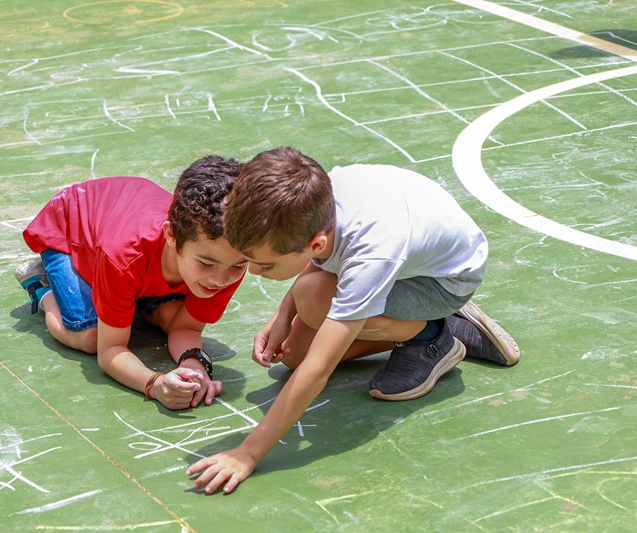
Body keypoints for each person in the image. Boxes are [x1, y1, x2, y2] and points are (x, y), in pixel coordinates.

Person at [187, 146, 519, 493]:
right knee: (295, 353)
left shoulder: (371, 251)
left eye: (266, 265)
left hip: (444, 282)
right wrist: (282, 315)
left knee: (314, 299)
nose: (253, 272)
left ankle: (433, 332)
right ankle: (427, 322)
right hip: (406, 260)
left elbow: (318, 369)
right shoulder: (311, 199)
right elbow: (321, 264)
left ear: (314, 244)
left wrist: (248, 453)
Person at [15, 155, 248, 410]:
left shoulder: (229, 252)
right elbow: (110, 351)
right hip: (70, 228)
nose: (221, 280)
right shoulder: (124, 256)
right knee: (90, 336)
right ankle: (42, 287)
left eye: (238, 266)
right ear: (172, 235)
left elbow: (186, 328)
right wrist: (154, 383)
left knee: (172, 318)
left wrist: (194, 364)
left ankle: (131, 296)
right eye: (205, 264)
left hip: (128, 235)